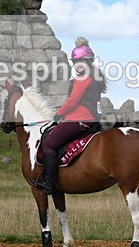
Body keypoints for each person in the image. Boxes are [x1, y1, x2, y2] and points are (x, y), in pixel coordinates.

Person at [34, 38, 107, 195]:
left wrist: (59, 114)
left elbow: (73, 100)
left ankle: (48, 183)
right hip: (91, 120)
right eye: (75, 62)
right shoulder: (95, 75)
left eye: (80, 61)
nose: (77, 65)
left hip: (79, 119)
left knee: (49, 144)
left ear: (88, 61)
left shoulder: (82, 78)